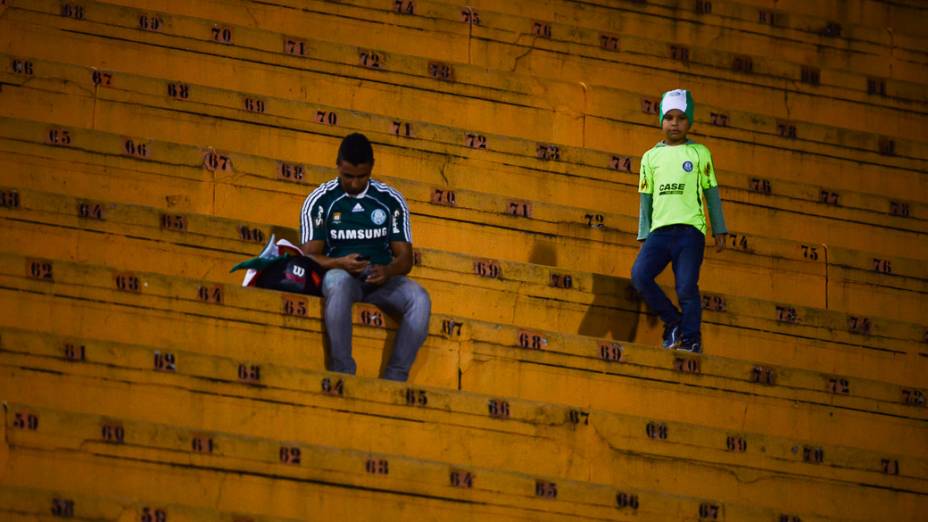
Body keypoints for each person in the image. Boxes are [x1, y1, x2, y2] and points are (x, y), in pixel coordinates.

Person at [299, 133, 430, 381]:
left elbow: (405, 259)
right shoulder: (320, 201)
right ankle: (343, 372)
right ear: (338, 165)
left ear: (372, 167)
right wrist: (340, 262)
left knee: (420, 298)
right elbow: (308, 257)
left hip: (381, 279)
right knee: (337, 282)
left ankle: (395, 377)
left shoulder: (390, 200)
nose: (355, 184)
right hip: (341, 277)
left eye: (362, 176)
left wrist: (388, 271)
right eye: (348, 176)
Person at [631, 89, 728, 354]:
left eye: (681, 118)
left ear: (690, 122)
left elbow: (711, 191)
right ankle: (673, 322)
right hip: (660, 233)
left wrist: (719, 227)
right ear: (661, 120)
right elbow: (646, 198)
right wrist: (644, 234)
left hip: (690, 232)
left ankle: (691, 339)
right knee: (640, 276)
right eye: (669, 117)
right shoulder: (650, 157)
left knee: (686, 287)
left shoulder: (699, 153)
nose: (674, 123)